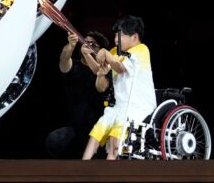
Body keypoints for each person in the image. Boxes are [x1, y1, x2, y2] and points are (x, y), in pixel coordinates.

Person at [82, 15, 156, 160]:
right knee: (96, 133)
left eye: (121, 34)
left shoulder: (141, 50)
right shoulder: (115, 52)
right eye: (116, 34)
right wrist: (88, 55)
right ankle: (82, 169)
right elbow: (99, 70)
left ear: (134, 37)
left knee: (115, 142)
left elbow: (120, 68)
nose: (116, 38)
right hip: (120, 107)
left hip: (138, 106)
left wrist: (105, 54)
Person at [45, 30, 110, 158]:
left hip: (100, 130)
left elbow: (102, 85)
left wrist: (89, 57)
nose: (87, 45)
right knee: (55, 140)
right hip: (77, 129)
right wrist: (71, 46)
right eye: (85, 42)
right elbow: (64, 59)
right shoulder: (74, 66)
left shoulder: (106, 71)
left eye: (93, 44)